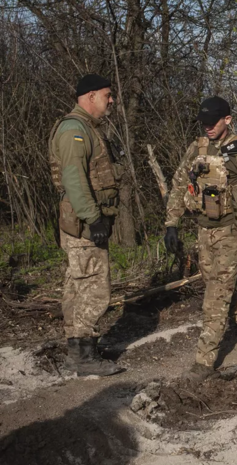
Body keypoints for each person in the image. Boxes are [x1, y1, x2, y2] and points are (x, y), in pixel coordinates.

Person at [164, 96, 237, 383]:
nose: (207, 128)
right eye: (203, 123)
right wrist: (171, 223)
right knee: (220, 291)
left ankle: (204, 363)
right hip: (204, 230)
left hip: (232, 232)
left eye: (213, 123)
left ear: (227, 120)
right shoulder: (197, 147)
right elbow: (180, 183)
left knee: (216, 297)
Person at [49, 74, 125, 376]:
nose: (112, 100)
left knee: (77, 287)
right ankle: (83, 355)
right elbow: (75, 180)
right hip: (83, 224)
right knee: (93, 289)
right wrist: (93, 218)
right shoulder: (74, 130)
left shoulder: (85, 128)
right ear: (91, 96)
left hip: (83, 221)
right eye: (108, 95)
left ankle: (79, 351)